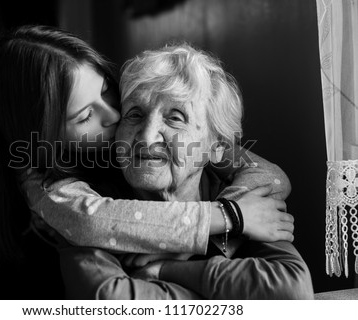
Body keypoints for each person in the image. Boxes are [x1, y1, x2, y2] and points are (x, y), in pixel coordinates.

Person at [0, 25, 293, 268]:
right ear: (46, 138)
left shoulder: (135, 128)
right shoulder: (45, 183)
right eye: (86, 115)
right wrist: (227, 217)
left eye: (107, 91)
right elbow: (93, 221)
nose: (114, 114)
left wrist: (225, 234)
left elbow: (265, 172)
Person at [58, 43, 314, 299]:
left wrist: (166, 270)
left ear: (218, 147)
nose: (147, 137)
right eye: (135, 114)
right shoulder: (93, 203)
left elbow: (290, 289)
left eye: (175, 117)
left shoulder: (243, 196)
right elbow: (108, 300)